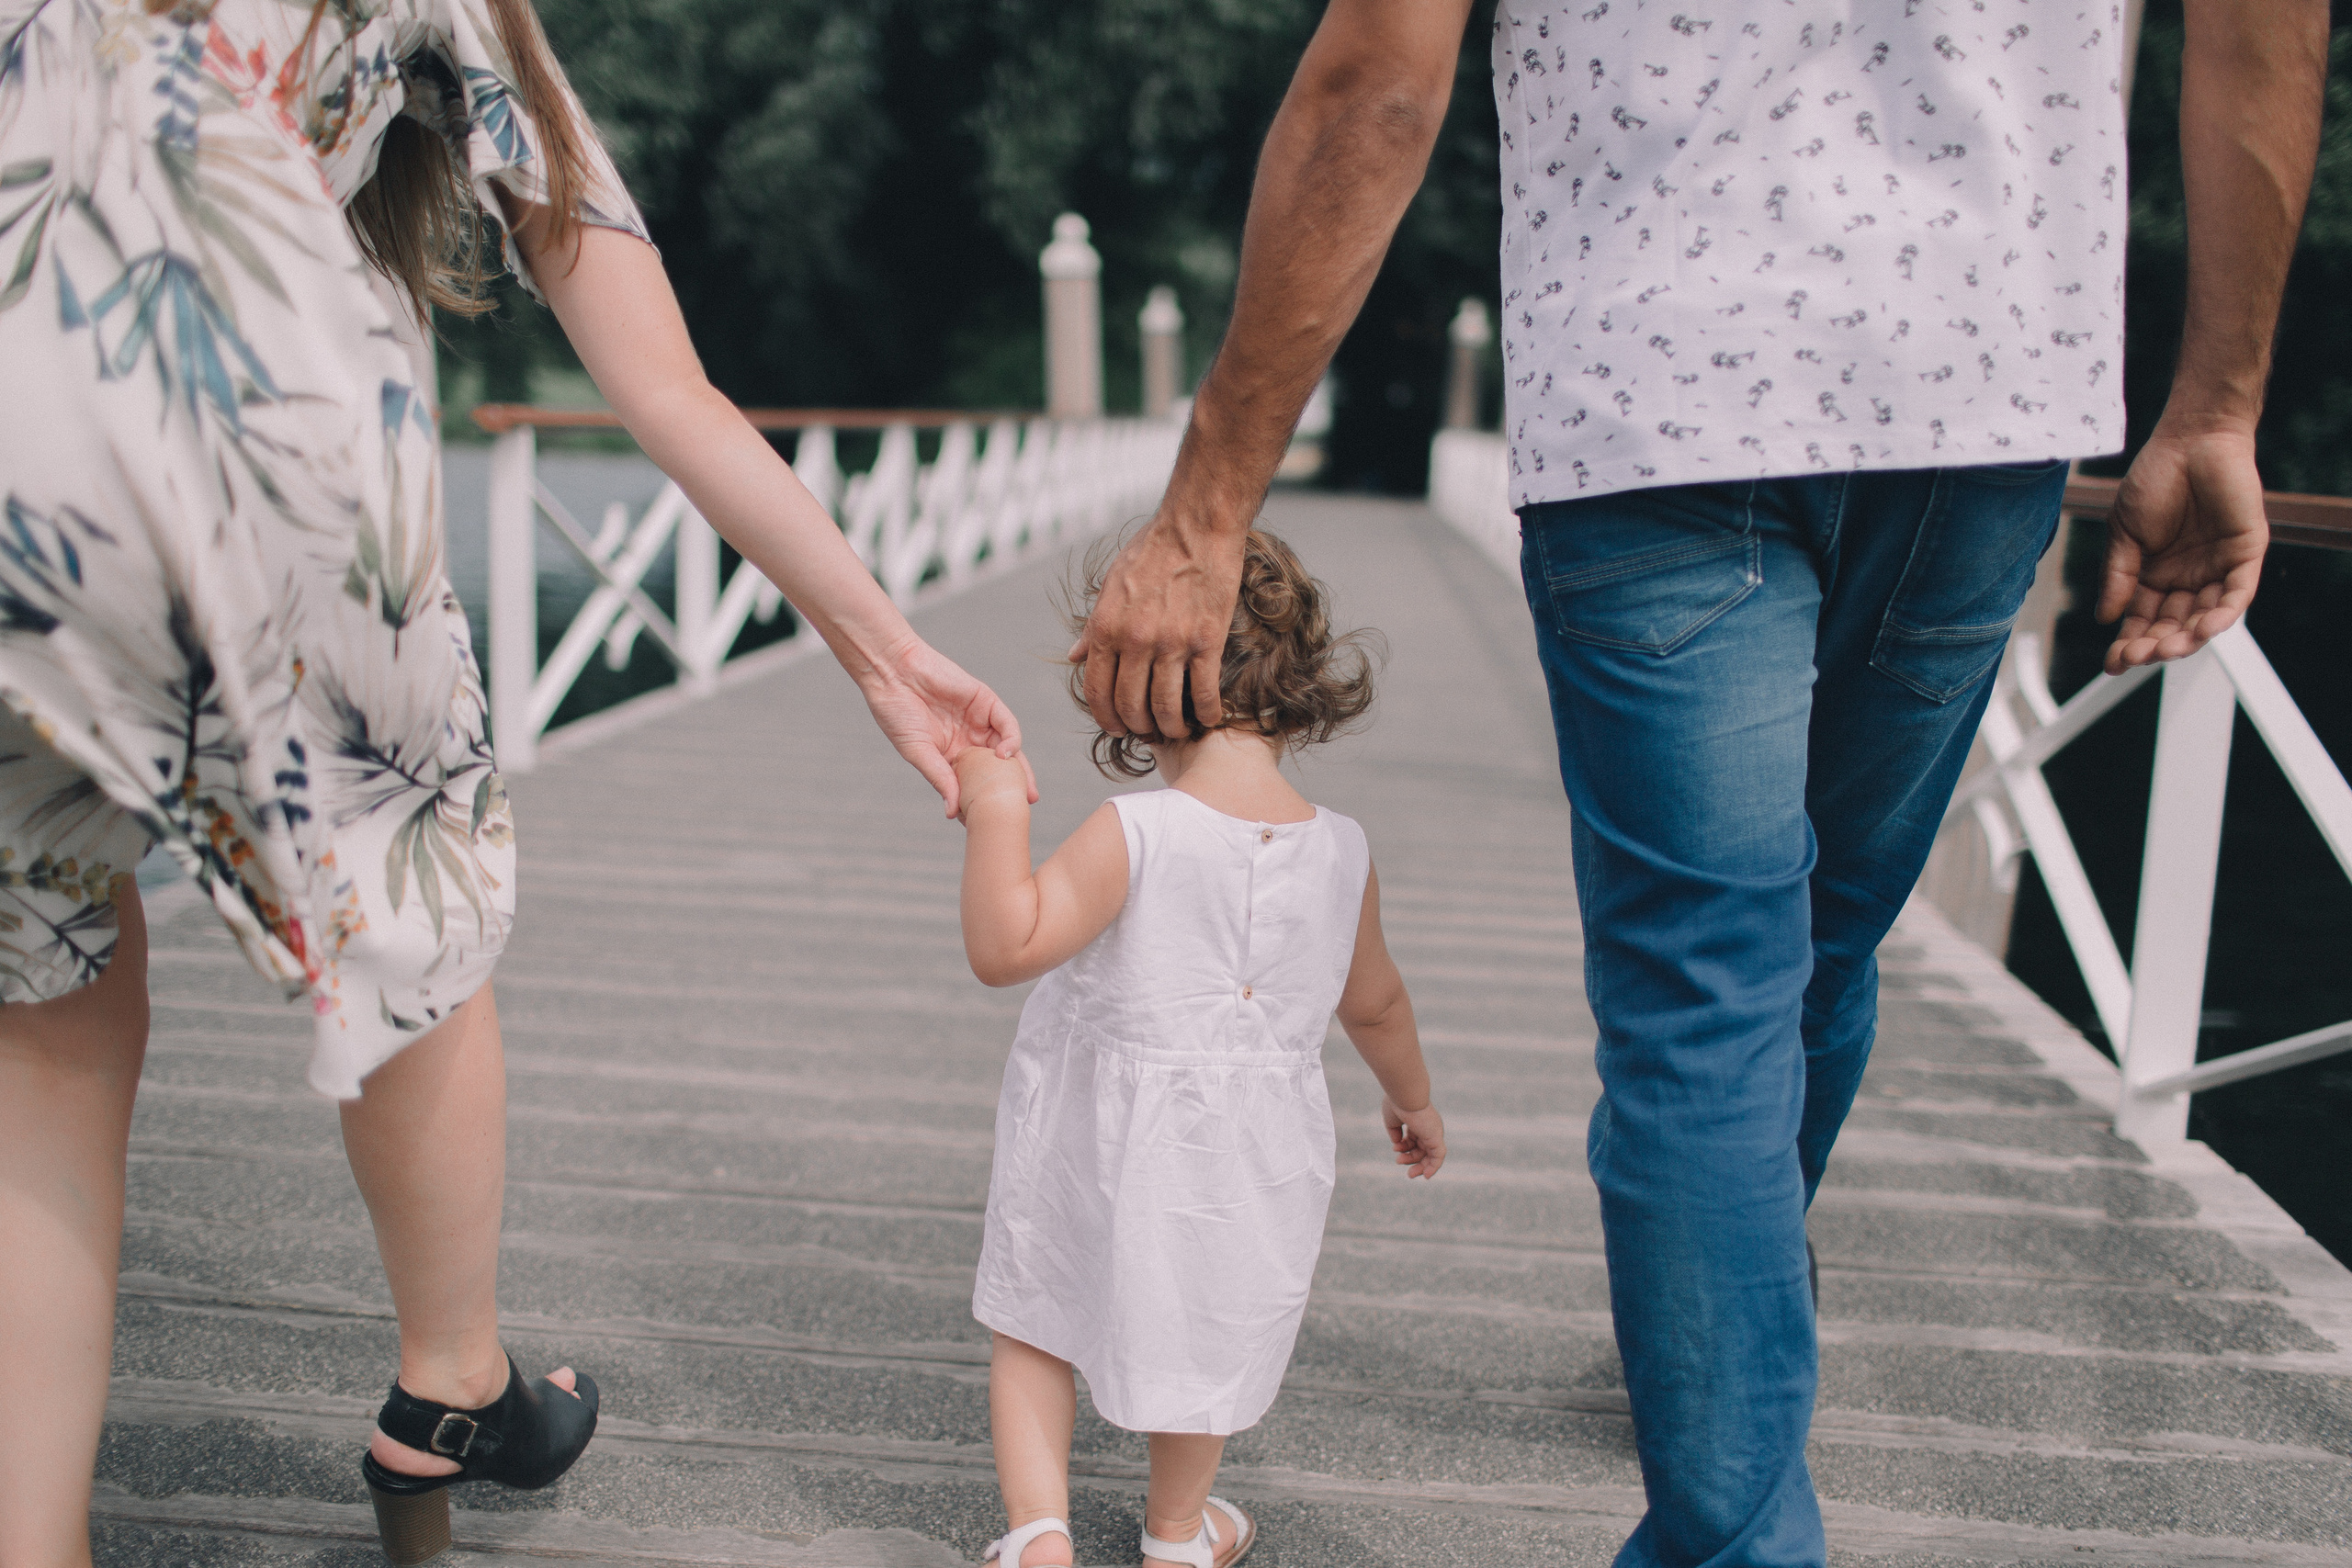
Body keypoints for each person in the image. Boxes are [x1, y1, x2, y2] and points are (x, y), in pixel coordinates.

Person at [1069, 3, 2328, 1565]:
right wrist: (2216, 404)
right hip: (1980, 381)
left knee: (1713, 987)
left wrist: (1207, 509)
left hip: (1659, 391)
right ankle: (1731, 1348)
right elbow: (2256, 26)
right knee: (1815, 940)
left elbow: (1377, 83)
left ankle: (1734, 1482)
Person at [0, 2, 1028, 1563]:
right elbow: (661, 383)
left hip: (17, 466)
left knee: (43, 1034)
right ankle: (451, 1379)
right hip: (277, 445)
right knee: (415, 924)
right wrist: (888, 651)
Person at [950, 532, 1445, 1568]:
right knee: (1207, 1328)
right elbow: (1377, 1003)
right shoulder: (1341, 848)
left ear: (1131, 677)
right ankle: (1176, 1535)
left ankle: (1039, 1535)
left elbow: (1007, 947)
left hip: (1093, 1132)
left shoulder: (1137, 831)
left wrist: (996, 810)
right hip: (1251, 1158)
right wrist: (1413, 1100)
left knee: (1038, 1312)